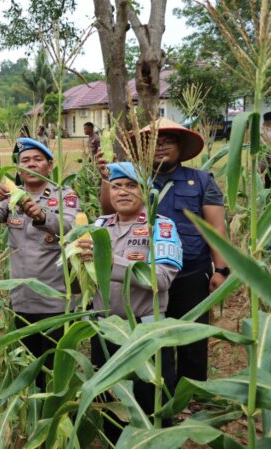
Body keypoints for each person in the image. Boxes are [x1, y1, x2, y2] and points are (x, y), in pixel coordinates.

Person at [97, 117, 228, 387]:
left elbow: (215, 230)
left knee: (190, 334)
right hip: (145, 276)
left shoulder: (201, 181)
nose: (160, 147)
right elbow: (109, 213)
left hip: (190, 272)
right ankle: (159, 391)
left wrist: (222, 269)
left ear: (180, 146)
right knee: (154, 339)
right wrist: (106, 179)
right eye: (153, 142)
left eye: (168, 141)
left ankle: (191, 393)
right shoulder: (134, 178)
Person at [82, 162, 182, 441]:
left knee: (150, 403)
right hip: (106, 331)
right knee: (113, 402)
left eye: (130, 185)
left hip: (144, 332)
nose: (122, 192)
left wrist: (108, 260)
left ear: (145, 190)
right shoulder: (99, 226)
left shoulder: (160, 226)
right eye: (116, 186)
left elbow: (161, 279)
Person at [0, 137, 80, 389]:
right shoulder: (10, 198)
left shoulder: (64, 195)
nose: (30, 165)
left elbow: (70, 226)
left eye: (37, 159)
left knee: (56, 371)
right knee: (28, 370)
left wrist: (43, 215)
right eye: (24, 161)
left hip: (57, 301)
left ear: (49, 165)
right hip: (22, 299)